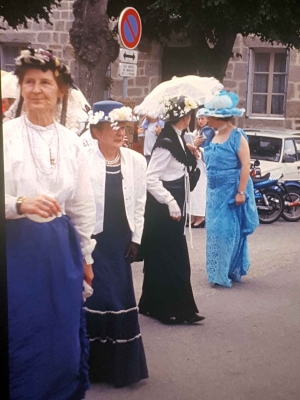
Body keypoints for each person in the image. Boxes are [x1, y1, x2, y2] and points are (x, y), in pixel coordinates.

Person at [4, 48, 96, 400]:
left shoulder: (73, 144)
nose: (36, 89)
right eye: (29, 82)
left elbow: (82, 205)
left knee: (61, 332)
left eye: (45, 82)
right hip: (16, 250)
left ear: (61, 92)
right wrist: (20, 203)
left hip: (60, 250)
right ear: (21, 89)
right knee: (23, 330)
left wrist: (86, 256)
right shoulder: (7, 136)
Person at [83, 101, 149, 388]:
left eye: (123, 126)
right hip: (94, 240)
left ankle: (122, 369)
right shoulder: (82, 159)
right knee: (96, 296)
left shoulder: (136, 161)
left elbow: (139, 202)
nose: (121, 132)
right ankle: (93, 366)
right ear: (96, 131)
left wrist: (136, 238)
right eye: (114, 126)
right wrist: (82, 244)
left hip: (120, 240)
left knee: (120, 298)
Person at [139, 95, 205, 324]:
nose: (191, 118)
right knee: (170, 258)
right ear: (184, 117)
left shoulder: (177, 138)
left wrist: (194, 156)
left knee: (165, 257)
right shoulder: (167, 142)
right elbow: (151, 178)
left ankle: (155, 305)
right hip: (164, 209)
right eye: (189, 115)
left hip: (174, 204)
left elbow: (184, 173)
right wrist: (170, 202)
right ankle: (167, 309)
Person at [199, 90, 259, 287]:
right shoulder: (213, 135)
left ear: (220, 118)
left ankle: (224, 272)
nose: (206, 119)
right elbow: (211, 162)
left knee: (227, 232)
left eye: (209, 116)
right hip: (214, 192)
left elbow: (245, 166)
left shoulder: (237, 137)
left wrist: (241, 192)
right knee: (214, 232)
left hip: (230, 190)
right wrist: (196, 150)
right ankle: (218, 271)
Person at [185, 112, 215, 228]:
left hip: (202, 164)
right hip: (195, 162)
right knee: (193, 191)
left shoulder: (208, 131)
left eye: (202, 119)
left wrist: (197, 148)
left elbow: (206, 148)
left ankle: (201, 216)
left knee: (200, 189)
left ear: (207, 119)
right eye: (198, 119)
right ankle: (194, 215)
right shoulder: (198, 131)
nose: (200, 121)